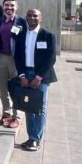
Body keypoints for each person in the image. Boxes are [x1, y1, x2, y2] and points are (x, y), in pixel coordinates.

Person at [13, 9, 56, 152]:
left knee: (40, 108)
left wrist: (38, 77)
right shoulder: (21, 35)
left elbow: (51, 59)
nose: (32, 18)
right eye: (29, 15)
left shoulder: (48, 36)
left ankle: (36, 139)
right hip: (26, 74)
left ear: (40, 18)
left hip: (41, 76)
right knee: (28, 107)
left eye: (35, 15)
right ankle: (31, 137)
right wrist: (22, 76)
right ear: (26, 18)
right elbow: (17, 57)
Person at [0, 0, 28, 128]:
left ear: (16, 7)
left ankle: (16, 116)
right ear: (3, 7)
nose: (9, 7)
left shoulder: (22, 22)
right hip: (1, 57)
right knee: (2, 89)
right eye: (6, 5)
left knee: (15, 89)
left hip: (16, 60)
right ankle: (6, 114)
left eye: (12, 5)